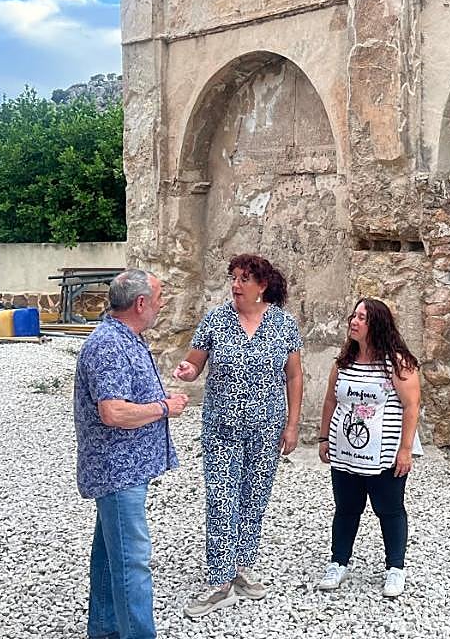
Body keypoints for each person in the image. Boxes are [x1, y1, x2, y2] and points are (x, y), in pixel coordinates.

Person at [173, 254, 303, 618]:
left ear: (262, 286)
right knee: (221, 498)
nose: (236, 284)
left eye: (244, 279)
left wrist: (292, 425)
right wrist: (188, 369)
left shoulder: (283, 325)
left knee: (254, 498)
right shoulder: (216, 320)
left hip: (267, 428)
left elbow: (293, 376)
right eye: (233, 278)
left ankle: (242, 566)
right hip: (221, 428)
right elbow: (195, 361)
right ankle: (219, 580)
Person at [74, 269, 189, 639]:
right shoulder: (109, 345)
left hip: (124, 471)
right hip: (117, 473)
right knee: (131, 563)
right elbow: (114, 411)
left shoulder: (127, 338)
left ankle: (105, 630)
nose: (161, 305)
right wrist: (165, 407)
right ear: (140, 303)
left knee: (109, 557)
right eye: (158, 299)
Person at [316, 298, 421, 598]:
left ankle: (395, 569)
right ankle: (338, 562)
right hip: (345, 453)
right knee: (346, 509)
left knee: (389, 510)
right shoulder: (344, 362)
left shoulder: (397, 363)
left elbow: (411, 406)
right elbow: (330, 401)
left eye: (362, 317)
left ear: (376, 324)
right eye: (354, 315)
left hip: (384, 456)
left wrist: (406, 449)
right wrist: (324, 439)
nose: (354, 321)